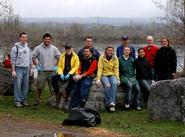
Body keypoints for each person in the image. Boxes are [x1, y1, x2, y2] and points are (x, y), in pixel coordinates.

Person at [32, 33, 61, 105]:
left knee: (53, 87)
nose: (47, 40)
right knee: (39, 86)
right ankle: (37, 100)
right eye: (46, 39)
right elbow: (33, 57)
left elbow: (59, 57)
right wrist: (37, 66)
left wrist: (56, 66)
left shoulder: (54, 48)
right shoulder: (38, 48)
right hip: (42, 71)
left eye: (48, 39)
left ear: (50, 40)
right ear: (43, 39)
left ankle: (54, 101)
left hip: (52, 71)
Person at [10, 32, 32, 108]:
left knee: (25, 86)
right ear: (20, 38)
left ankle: (23, 99)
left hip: (26, 68)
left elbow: (30, 59)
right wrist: (13, 70)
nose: (24, 39)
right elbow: (12, 60)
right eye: (23, 37)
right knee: (18, 85)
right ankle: (17, 101)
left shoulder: (28, 47)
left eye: (25, 37)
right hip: (18, 68)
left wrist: (30, 69)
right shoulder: (15, 47)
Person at [96, 46, 120, 112]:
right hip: (104, 75)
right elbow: (100, 68)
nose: (110, 52)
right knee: (107, 85)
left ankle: (111, 103)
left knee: (114, 84)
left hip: (112, 74)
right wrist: (98, 79)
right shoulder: (101, 57)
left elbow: (116, 69)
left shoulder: (115, 58)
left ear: (113, 51)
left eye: (111, 50)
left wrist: (118, 79)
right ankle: (108, 104)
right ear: (106, 51)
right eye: (109, 50)